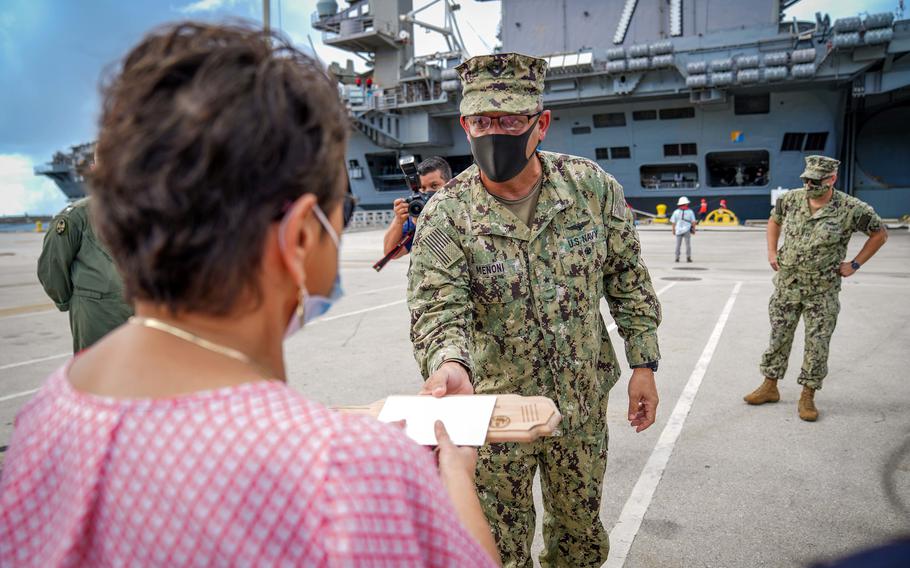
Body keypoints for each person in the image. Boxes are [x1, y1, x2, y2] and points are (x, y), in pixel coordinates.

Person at [0, 22, 500, 566]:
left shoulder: (45, 418)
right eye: (343, 210)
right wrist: (457, 477)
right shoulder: (351, 472)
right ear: (302, 236)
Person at [407, 53, 662, 567]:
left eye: (510, 120)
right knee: (498, 545)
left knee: (579, 534)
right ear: (465, 125)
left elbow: (629, 282)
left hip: (581, 403)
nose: (494, 131)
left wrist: (644, 364)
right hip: (494, 414)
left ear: (540, 124)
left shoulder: (591, 189)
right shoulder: (446, 212)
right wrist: (451, 364)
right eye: (482, 121)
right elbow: (437, 306)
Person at [745, 155, 888, 421]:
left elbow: (880, 234)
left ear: (831, 179)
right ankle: (770, 386)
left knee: (817, 344)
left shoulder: (851, 208)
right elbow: (774, 220)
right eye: (807, 180)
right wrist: (772, 252)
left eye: (816, 181)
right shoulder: (791, 199)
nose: (810, 185)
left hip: (822, 291)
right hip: (788, 285)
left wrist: (855, 264)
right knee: (778, 337)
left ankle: (807, 396)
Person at [37, 195, 133, 352]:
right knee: (95, 368)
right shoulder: (78, 215)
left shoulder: (143, 210)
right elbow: (52, 265)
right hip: (97, 313)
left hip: (139, 313)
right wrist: (67, 301)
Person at [382, 156, 452, 260]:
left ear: (449, 184)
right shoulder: (416, 219)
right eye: (422, 188)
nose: (427, 193)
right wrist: (398, 221)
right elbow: (391, 253)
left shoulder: (463, 212)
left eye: (434, 186)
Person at [670, 196, 697, 263]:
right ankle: (688, 257)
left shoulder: (676, 212)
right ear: (686, 204)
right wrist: (693, 229)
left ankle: (677, 258)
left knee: (678, 245)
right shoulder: (690, 212)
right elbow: (693, 222)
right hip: (687, 229)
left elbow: (673, 222)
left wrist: (673, 230)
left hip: (678, 230)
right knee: (688, 244)